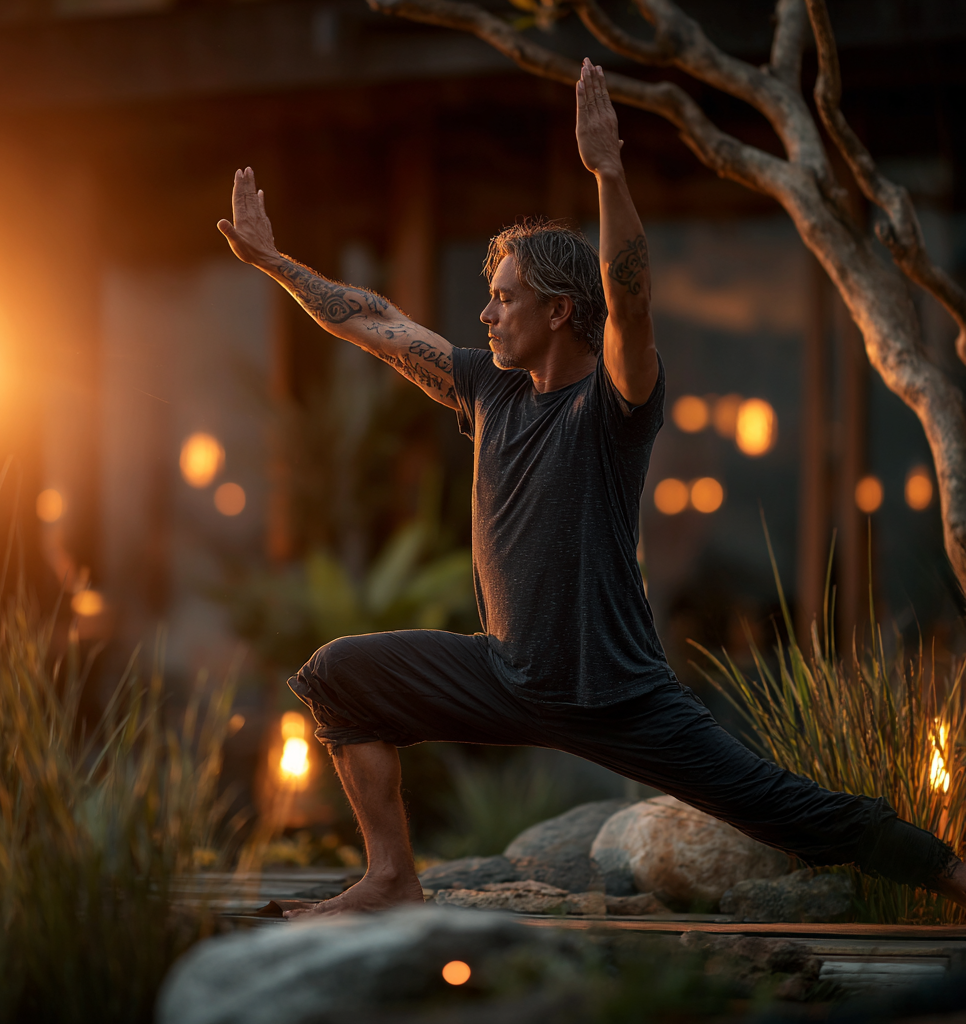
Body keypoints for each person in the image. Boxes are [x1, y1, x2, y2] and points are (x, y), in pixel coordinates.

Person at [219, 59, 966, 917]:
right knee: (339, 677)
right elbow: (377, 322)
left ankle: (952, 877)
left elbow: (630, 302)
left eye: (504, 299)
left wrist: (608, 172)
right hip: (506, 672)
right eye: (488, 298)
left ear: (559, 311)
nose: (486, 315)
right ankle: (390, 878)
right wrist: (274, 262)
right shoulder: (488, 389)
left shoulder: (612, 403)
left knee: (787, 810)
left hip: (617, 691)